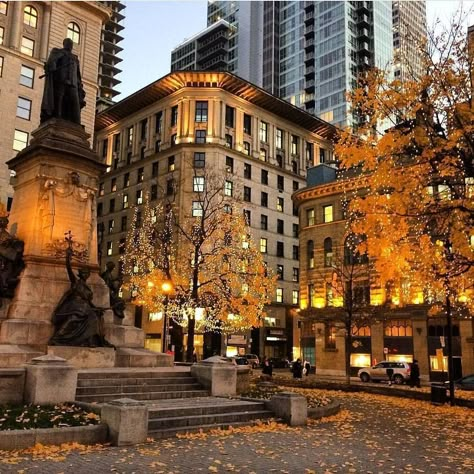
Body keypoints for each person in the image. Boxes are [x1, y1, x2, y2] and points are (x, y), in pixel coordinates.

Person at [49, 244, 111, 347]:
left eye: (87, 273)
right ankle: (59, 336)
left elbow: (88, 301)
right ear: (80, 274)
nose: (86, 275)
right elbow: (69, 270)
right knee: (76, 317)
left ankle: (90, 340)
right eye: (84, 273)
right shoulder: (76, 282)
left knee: (95, 317)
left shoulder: (87, 287)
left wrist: (97, 308)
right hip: (75, 305)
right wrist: (68, 258)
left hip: (84, 307)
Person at [41, 38, 86, 124]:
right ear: (64, 44)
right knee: (58, 100)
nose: (70, 45)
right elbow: (51, 62)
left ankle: (76, 123)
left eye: (71, 44)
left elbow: (78, 74)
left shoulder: (75, 58)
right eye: (68, 43)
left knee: (75, 102)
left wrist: (79, 85)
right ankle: (57, 118)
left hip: (73, 84)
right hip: (61, 80)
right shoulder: (57, 52)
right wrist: (52, 67)